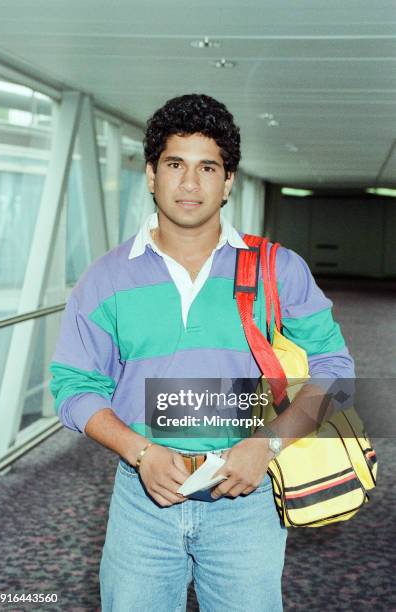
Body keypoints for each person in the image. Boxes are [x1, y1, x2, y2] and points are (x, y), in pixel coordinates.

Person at [49, 94, 354, 611]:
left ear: (228, 180)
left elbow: (336, 373)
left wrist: (268, 444)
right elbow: (73, 387)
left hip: (247, 498)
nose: (190, 184)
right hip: (142, 500)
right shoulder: (105, 279)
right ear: (151, 174)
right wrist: (139, 452)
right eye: (175, 164)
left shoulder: (278, 269)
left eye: (207, 167)